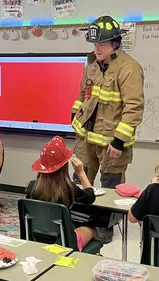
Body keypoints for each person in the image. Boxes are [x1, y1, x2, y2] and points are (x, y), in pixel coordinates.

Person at [71, 15, 144, 243]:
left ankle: (105, 228)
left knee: (110, 188)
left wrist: (119, 141)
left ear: (115, 43)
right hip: (87, 139)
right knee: (79, 182)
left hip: (113, 143)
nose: (97, 48)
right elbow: (83, 95)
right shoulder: (92, 66)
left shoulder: (128, 68)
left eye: (101, 44)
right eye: (94, 44)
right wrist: (74, 113)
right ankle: (78, 221)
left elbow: (134, 108)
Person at [26, 136, 98, 251]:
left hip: (36, 240)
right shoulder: (69, 188)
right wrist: (81, 172)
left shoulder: (31, 187)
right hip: (64, 243)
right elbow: (90, 197)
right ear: (64, 165)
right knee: (92, 230)